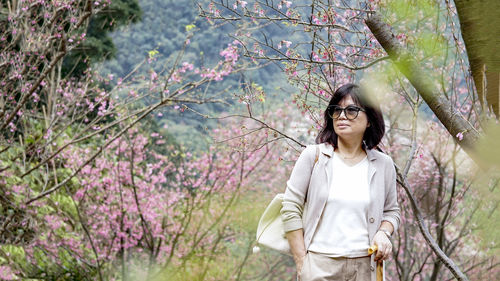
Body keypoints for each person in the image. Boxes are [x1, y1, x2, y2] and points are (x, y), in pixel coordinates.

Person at [281, 83, 400, 281]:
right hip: (319, 266)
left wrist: (383, 232)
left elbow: (392, 211)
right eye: (336, 110)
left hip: (365, 267)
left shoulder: (383, 164)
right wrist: (303, 263)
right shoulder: (314, 157)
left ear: (370, 120)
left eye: (351, 110)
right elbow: (290, 207)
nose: (342, 116)